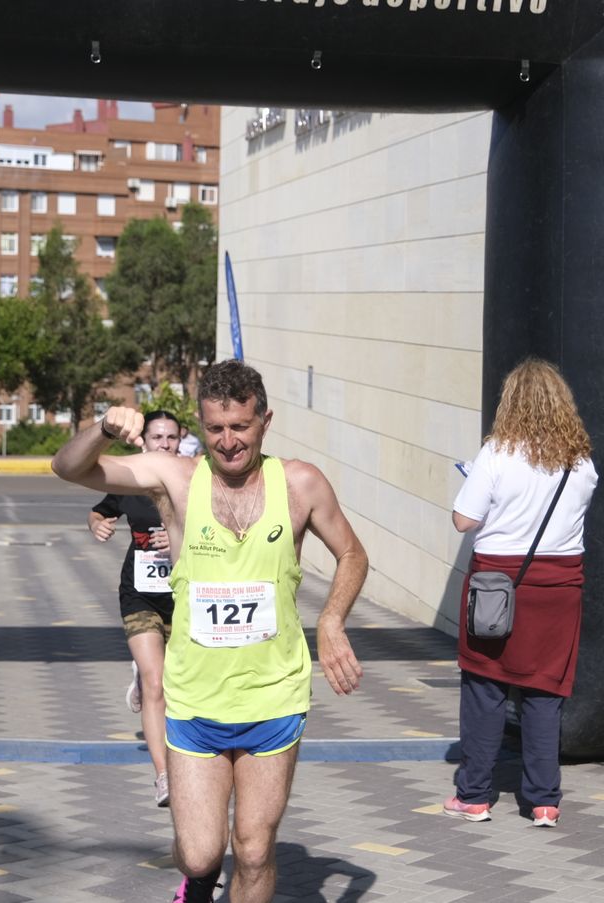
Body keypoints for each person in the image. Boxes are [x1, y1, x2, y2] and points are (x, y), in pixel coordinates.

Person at [52, 360, 368, 903]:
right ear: (201, 425)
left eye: (240, 427)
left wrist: (333, 620)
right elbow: (70, 468)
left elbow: (353, 554)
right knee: (200, 853)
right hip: (195, 700)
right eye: (215, 428)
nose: (228, 442)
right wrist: (105, 427)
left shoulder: (300, 483)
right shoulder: (177, 479)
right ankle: (197, 881)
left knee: (252, 849)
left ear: (265, 420)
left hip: (273, 696)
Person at [443, 358, 598, 828]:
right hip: (560, 588)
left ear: (510, 403)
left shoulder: (496, 454)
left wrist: (476, 481)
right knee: (545, 689)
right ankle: (543, 801)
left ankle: (473, 796)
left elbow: (463, 521)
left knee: (485, 686)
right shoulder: (581, 461)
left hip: (497, 585)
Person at [88, 409, 183, 807]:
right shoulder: (133, 479)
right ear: (143, 442)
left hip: (185, 596)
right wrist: (97, 523)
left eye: (171, 438)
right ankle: (163, 777)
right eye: (157, 438)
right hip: (140, 592)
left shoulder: (194, 481)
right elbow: (102, 509)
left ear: (182, 440)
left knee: (181, 688)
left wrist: (180, 539)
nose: (164, 444)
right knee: (156, 684)